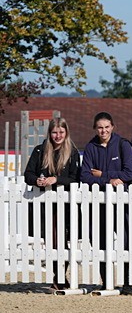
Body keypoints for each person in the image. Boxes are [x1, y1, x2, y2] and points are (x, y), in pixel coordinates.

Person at [80, 113, 132, 294]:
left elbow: (130, 173)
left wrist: (101, 175)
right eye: (100, 127)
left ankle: (128, 282)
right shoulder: (90, 147)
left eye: (106, 127)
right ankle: (106, 281)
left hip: (121, 202)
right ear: (95, 128)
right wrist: (109, 180)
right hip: (99, 203)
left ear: (112, 127)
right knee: (100, 241)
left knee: (125, 240)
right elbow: (85, 176)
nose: (103, 131)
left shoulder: (122, 144)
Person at [23, 118, 81, 290]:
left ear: (66, 132)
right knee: (50, 240)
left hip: (66, 204)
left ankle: (61, 276)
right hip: (44, 203)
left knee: (63, 240)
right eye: (55, 132)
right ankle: (58, 276)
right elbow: (28, 174)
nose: (58, 136)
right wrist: (37, 180)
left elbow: (75, 178)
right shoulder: (40, 150)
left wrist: (56, 179)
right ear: (49, 133)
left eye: (61, 132)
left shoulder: (73, 152)